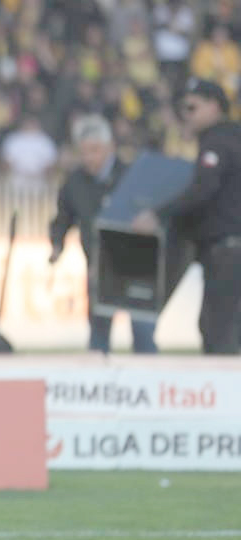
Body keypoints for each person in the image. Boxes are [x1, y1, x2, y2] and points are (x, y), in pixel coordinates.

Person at [132, 77, 241, 353]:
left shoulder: (218, 142)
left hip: (226, 248)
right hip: (225, 248)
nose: (186, 115)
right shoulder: (231, 137)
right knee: (220, 326)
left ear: (215, 106)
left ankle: (225, 383)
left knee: (219, 332)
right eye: (183, 109)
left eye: (192, 108)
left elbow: (203, 189)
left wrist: (158, 215)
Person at [50, 115, 157, 353]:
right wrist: (56, 244)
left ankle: (148, 374)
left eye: (95, 150)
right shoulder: (74, 182)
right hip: (99, 269)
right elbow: (63, 218)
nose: (89, 158)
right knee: (98, 337)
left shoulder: (133, 175)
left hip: (137, 267)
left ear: (110, 147)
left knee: (143, 335)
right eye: (84, 152)